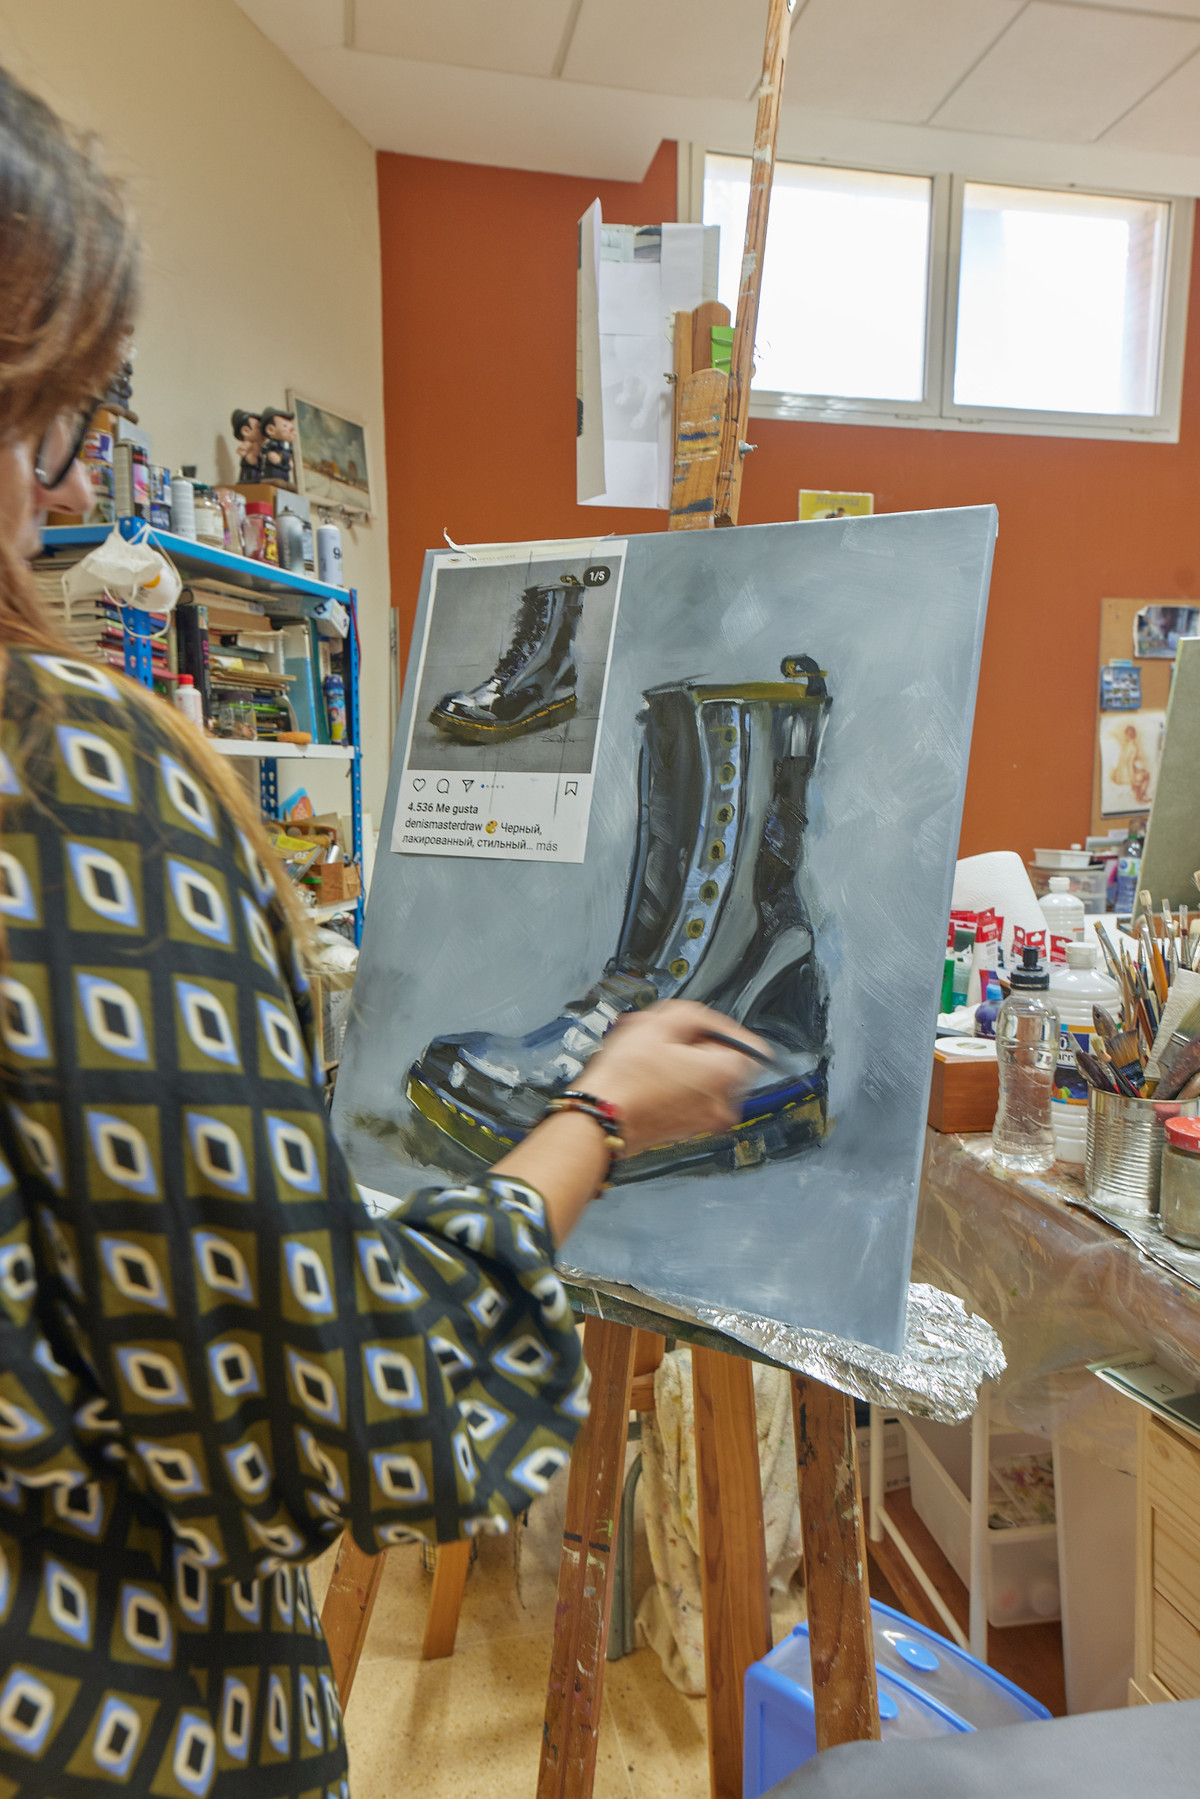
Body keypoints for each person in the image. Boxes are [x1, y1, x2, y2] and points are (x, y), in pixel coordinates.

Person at [0, 66, 764, 1799]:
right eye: (45, 418)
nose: (58, 485)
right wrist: (596, 1117)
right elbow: (324, 1408)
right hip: (118, 1720)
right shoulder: (62, 778)